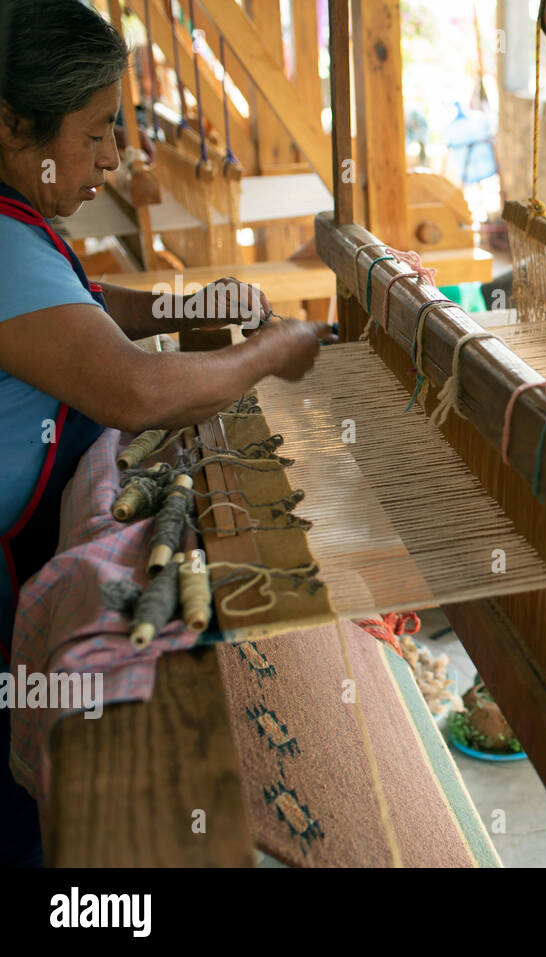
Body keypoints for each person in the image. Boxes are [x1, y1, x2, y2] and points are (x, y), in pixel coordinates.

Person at [0, 0, 333, 866]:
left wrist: (190, 307)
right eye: (99, 132)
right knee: (33, 824)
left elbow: (77, 309)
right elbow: (140, 394)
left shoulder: (20, 232)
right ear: (10, 125)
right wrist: (270, 351)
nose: (114, 157)